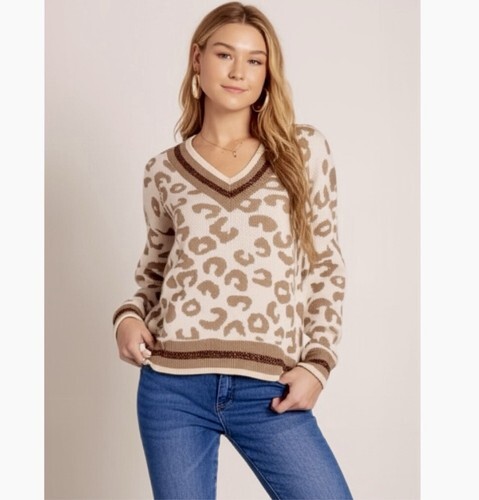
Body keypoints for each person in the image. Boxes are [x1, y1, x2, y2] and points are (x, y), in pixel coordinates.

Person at [113, 2, 352, 499]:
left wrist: (317, 364)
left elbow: (326, 265)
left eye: (254, 60)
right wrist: (128, 319)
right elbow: (153, 274)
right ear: (197, 59)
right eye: (225, 55)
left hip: (269, 389)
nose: (239, 71)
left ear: (268, 73)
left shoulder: (303, 151)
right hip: (173, 388)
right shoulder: (163, 171)